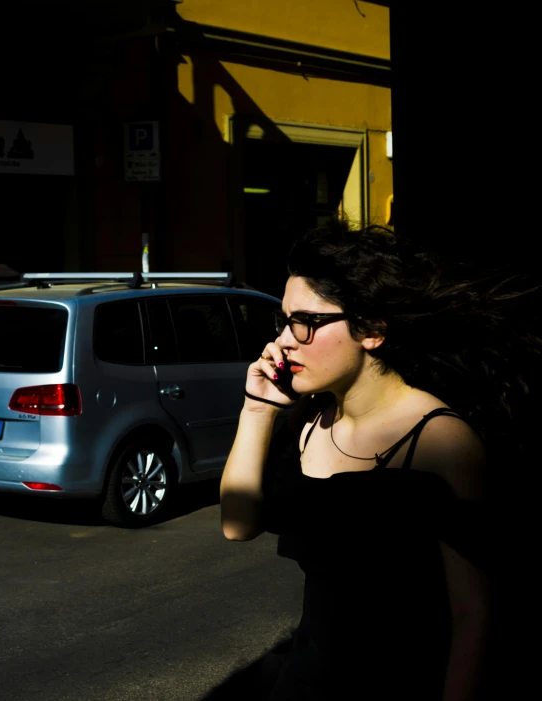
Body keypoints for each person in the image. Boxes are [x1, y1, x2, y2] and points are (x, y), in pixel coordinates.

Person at [219, 217, 541, 700]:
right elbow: (237, 525)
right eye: (284, 321)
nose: (285, 339)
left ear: (371, 330)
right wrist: (256, 408)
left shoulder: (440, 440)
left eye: (307, 322)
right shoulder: (307, 420)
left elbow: (473, 614)